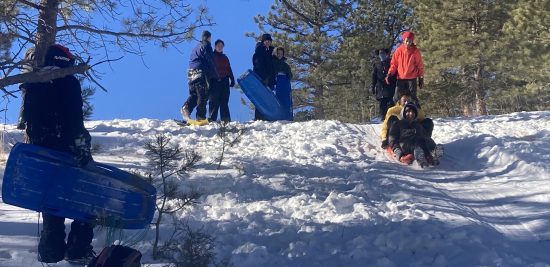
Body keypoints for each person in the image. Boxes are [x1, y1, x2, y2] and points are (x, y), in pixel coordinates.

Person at [23, 44, 94, 263]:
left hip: (42, 155)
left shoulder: (33, 84)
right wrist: (81, 145)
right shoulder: (68, 83)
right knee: (87, 200)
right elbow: (73, 118)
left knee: (52, 203)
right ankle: (78, 250)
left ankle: (51, 251)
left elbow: (30, 124)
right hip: (66, 151)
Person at [388, 102, 441, 167]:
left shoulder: (417, 125)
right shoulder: (398, 124)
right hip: (405, 143)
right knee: (415, 143)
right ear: (403, 113)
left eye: (413, 112)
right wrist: (397, 151)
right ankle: (420, 156)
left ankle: (431, 154)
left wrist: (432, 144)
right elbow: (392, 138)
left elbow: (425, 136)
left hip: (418, 142)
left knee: (424, 140)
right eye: (408, 112)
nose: (411, 114)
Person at [181, 30, 217, 122]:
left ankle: (186, 108)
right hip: (199, 71)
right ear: (209, 38)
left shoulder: (196, 47)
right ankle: (200, 117)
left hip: (190, 73)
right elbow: (211, 61)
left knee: (195, 94)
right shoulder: (206, 45)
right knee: (203, 94)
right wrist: (216, 75)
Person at [385, 31, 424, 106]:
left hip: (412, 78)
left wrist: (421, 78)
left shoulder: (415, 51)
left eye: (410, 40)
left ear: (412, 41)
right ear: (404, 40)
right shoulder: (399, 50)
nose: (408, 42)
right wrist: (389, 73)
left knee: (413, 97)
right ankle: (395, 113)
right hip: (401, 78)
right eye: (407, 40)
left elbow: (420, 65)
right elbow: (394, 64)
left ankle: (417, 113)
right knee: (396, 97)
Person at [209, 39, 235, 122]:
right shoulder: (211, 56)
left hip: (225, 81)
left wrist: (232, 79)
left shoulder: (225, 57)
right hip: (214, 81)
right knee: (214, 101)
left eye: (221, 46)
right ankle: (212, 120)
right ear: (215, 46)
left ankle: (226, 120)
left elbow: (229, 69)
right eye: (218, 46)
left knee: (224, 102)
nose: (220, 47)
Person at [252, 33, 275, 120]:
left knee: (266, 98)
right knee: (260, 98)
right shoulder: (260, 50)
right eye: (266, 40)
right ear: (263, 41)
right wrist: (263, 77)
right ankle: (259, 117)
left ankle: (265, 117)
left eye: (269, 41)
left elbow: (271, 66)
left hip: (268, 78)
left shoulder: (269, 51)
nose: (268, 42)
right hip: (261, 78)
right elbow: (259, 65)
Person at [371, 48, 395, 120]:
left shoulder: (391, 63)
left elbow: (395, 74)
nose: (382, 55)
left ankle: (392, 118)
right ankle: (383, 119)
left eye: (383, 53)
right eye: (380, 54)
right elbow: (374, 76)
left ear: (386, 54)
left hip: (390, 87)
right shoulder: (376, 65)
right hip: (380, 88)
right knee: (382, 105)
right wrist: (373, 86)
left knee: (391, 103)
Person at [17, 47, 36, 130]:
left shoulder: (26, 60)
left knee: (26, 100)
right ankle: (21, 121)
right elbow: (34, 57)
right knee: (26, 100)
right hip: (28, 80)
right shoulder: (32, 54)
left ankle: (22, 120)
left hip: (25, 81)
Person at [272, 47, 294, 120]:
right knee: (278, 99)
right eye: (278, 53)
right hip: (277, 83)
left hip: (285, 83)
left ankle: (288, 117)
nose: (280, 55)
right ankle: (278, 117)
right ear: (276, 53)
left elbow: (290, 75)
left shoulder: (286, 65)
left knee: (287, 100)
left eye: (281, 54)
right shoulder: (273, 63)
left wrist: (288, 74)